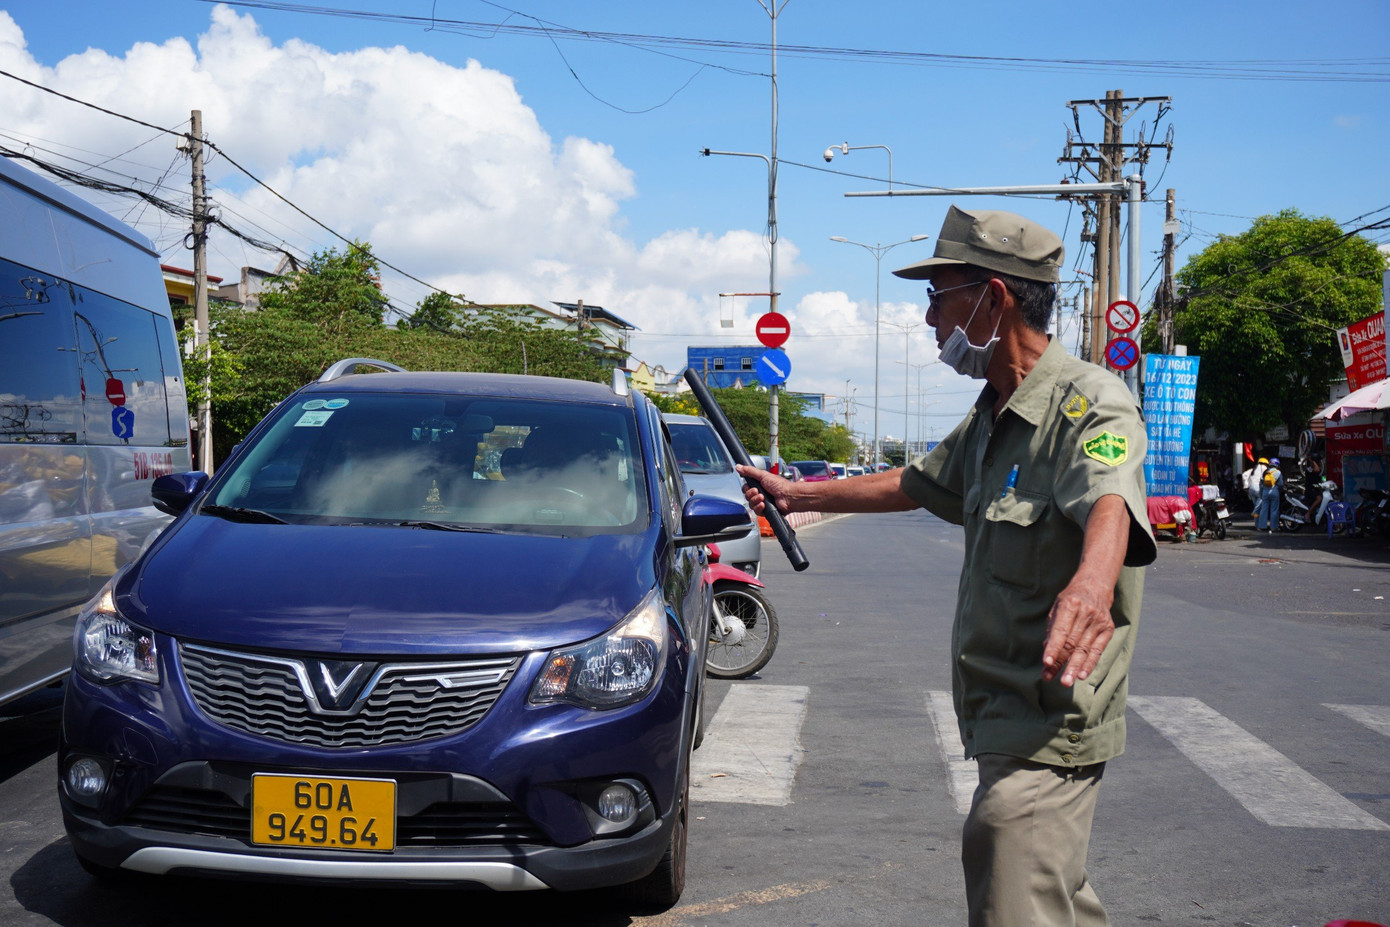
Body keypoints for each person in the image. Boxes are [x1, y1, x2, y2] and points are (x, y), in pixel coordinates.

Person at [737, 205, 1157, 927]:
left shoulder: (1090, 404)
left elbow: (1109, 499)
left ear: (992, 297)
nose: (929, 318)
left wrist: (1091, 583)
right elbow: (916, 482)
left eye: (939, 296)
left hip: (1049, 712)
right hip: (1000, 708)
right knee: (1044, 889)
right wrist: (798, 490)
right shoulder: (994, 412)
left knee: (1008, 863)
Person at [1255, 456, 1283, 533]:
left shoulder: (1264, 472)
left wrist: (1261, 494)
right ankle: (1273, 527)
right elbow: (1280, 484)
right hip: (1274, 492)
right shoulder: (1278, 472)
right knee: (1274, 510)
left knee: (1264, 509)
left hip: (1265, 492)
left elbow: (1260, 484)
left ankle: (1262, 527)